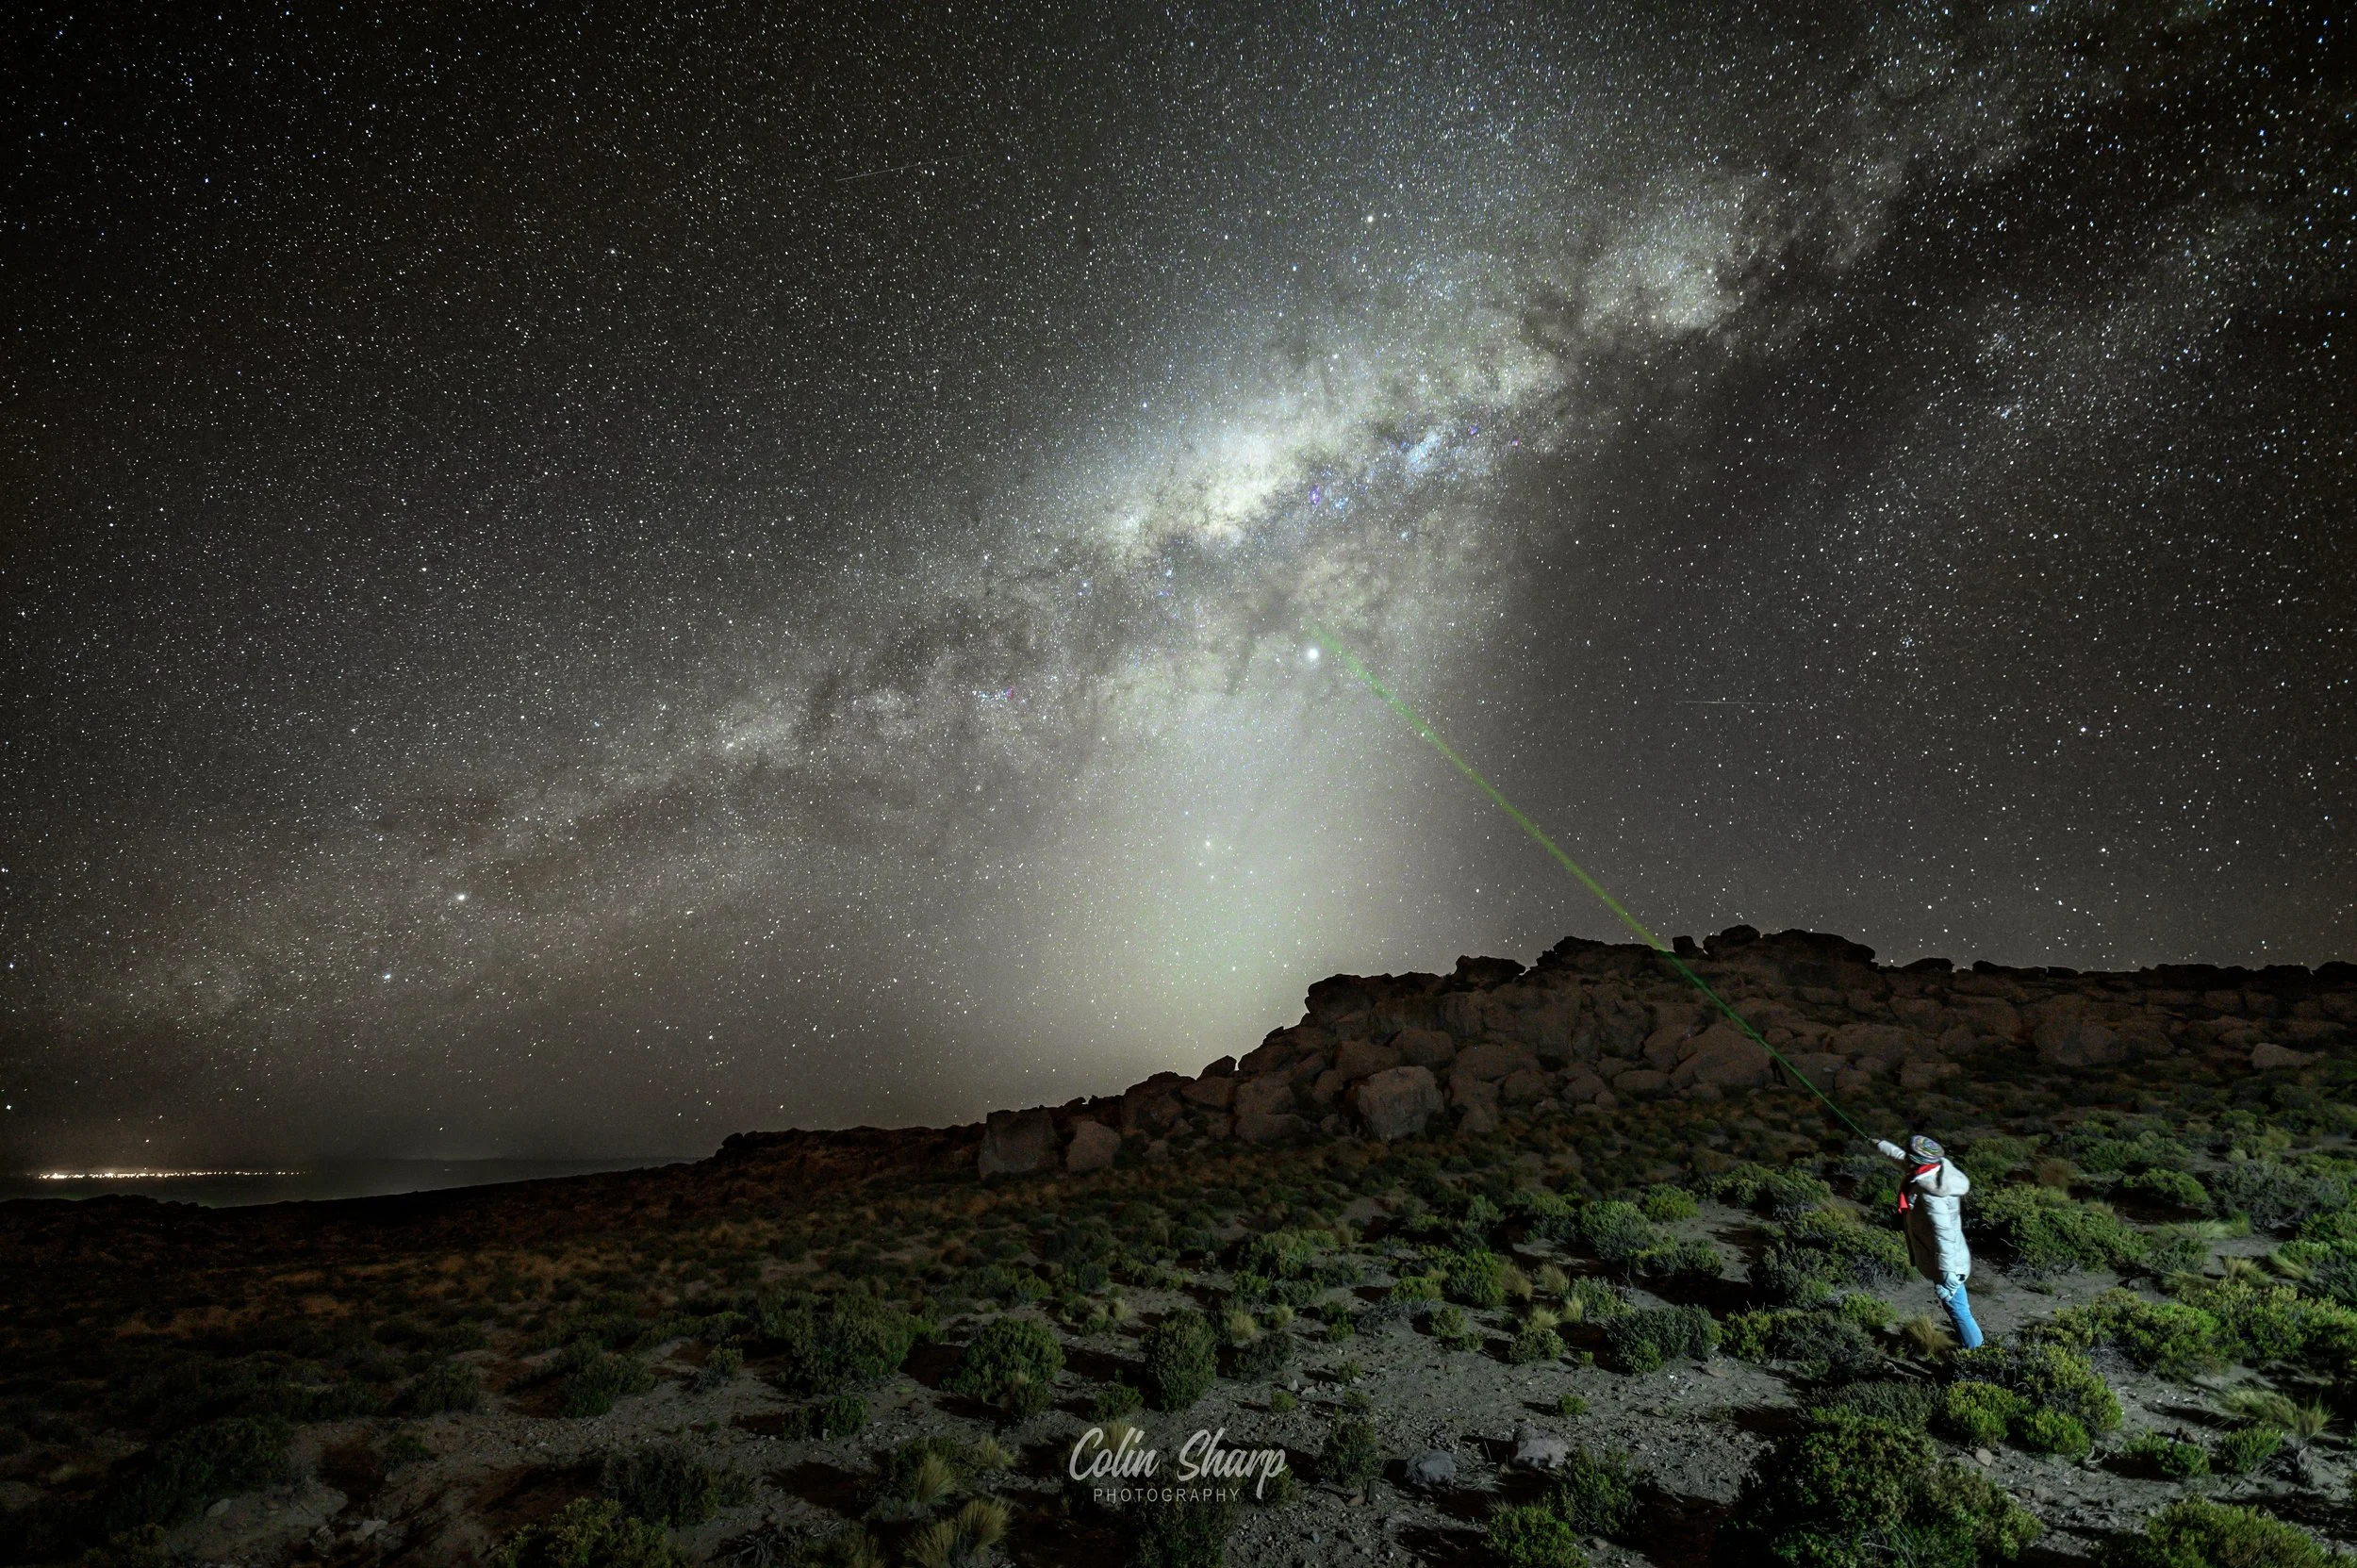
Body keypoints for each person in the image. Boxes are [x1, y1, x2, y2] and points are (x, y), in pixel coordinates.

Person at [1874, 1133, 1983, 1349]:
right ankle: (1973, 1350)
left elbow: (1945, 1235)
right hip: (1946, 1258)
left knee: (1958, 1309)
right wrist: (1878, 1144)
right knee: (1957, 1308)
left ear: (1918, 1162)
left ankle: (1976, 1353)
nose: (1907, 1161)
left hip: (1949, 1263)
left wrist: (1949, 1277)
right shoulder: (1933, 1170)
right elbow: (1901, 1158)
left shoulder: (1932, 1194)